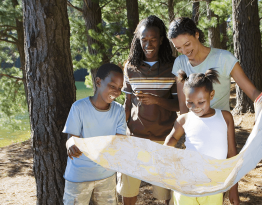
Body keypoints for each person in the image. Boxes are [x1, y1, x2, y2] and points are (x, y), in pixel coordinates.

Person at [117, 15, 179, 205]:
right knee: (128, 190)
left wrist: (157, 101)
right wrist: (120, 131)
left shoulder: (174, 66)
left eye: (153, 39)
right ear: (138, 40)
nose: (148, 44)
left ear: (161, 40)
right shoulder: (131, 67)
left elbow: (179, 106)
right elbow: (128, 103)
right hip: (134, 137)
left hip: (165, 138)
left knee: (165, 193)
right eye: (144, 39)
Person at [168, 17, 262, 114]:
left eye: (187, 44)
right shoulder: (179, 62)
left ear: (196, 34)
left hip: (221, 128)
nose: (184, 51)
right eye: (178, 48)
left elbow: (252, 92)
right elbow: (183, 103)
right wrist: (184, 130)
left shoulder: (224, 58)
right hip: (194, 130)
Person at [164, 69, 240, 205]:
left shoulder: (225, 117)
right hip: (186, 185)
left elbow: (232, 154)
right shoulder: (184, 119)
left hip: (214, 186)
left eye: (201, 102)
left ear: (212, 95)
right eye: (189, 102)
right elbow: (172, 139)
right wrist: (166, 153)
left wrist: (234, 188)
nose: (195, 107)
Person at [62, 63, 126, 205]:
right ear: (98, 82)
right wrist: (71, 145)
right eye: (112, 86)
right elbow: (71, 138)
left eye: (120, 88)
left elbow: (120, 141)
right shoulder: (79, 107)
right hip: (78, 176)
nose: (117, 92)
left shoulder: (119, 111)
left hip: (107, 176)